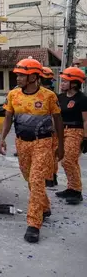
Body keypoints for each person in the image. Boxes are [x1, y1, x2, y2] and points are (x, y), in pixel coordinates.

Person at [0, 57, 64, 243]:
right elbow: (9, 118)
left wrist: (61, 145)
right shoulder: (13, 95)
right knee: (29, 178)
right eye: (17, 75)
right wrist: (2, 139)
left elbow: (58, 121)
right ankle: (44, 206)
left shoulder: (49, 96)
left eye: (22, 75)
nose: (18, 78)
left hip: (42, 143)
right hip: (22, 143)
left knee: (36, 180)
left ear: (34, 77)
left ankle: (34, 223)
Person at [55, 67, 87, 205]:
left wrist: (86, 138)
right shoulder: (60, 97)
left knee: (68, 160)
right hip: (61, 131)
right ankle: (71, 187)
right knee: (64, 160)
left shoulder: (82, 99)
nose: (62, 84)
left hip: (76, 131)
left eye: (65, 81)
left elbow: (86, 120)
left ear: (74, 83)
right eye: (62, 81)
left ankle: (76, 191)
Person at [41, 67, 59, 187]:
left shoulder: (50, 95)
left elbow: (55, 114)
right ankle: (51, 176)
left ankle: (50, 177)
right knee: (50, 155)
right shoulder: (52, 94)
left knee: (50, 155)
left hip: (49, 129)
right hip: (46, 129)